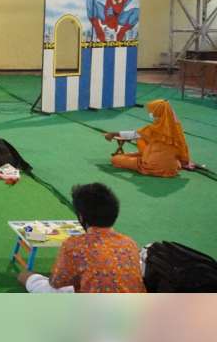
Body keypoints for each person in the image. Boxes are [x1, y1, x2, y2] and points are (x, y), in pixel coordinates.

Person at [17, 183, 146, 293]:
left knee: (26, 276)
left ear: (81, 217)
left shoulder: (74, 244)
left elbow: (56, 283)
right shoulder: (130, 243)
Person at [106, 99, 191, 178]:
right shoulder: (177, 128)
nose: (150, 114)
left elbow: (134, 134)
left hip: (151, 166)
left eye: (151, 112)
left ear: (158, 112)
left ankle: (137, 160)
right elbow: (183, 147)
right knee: (144, 143)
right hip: (172, 168)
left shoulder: (154, 128)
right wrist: (185, 161)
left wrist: (113, 133)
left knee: (116, 159)